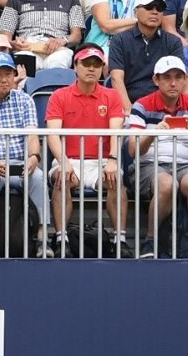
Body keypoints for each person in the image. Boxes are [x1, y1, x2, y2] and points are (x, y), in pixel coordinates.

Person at [42, 45, 130, 257]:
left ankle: (121, 240)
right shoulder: (59, 96)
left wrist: (113, 159)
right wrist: (63, 162)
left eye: (97, 64)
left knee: (116, 181)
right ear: (75, 66)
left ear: (102, 69)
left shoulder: (112, 96)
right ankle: (62, 239)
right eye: (86, 64)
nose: (92, 68)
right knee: (62, 180)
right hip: (69, 159)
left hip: (102, 161)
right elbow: (52, 134)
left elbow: (116, 131)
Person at [0, 51, 54, 255]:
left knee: (39, 177)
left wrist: (34, 157)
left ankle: (43, 239)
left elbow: (32, 135)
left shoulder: (25, 100)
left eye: (8, 74)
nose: (4, 79)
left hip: (21, 163)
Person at [126, 57, 188, 259]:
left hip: (187, 164)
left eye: (178, 77)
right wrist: (153, 133)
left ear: (184, 80)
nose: (173, 83)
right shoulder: (141, 105)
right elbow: (133, 150)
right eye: (167, 78)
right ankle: (150, 242)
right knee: (166, 184)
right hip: (149, 163)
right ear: (156, 80)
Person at [107, 0, 187, 109]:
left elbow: (177, 79)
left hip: (164, 106)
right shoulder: (119, 40)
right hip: (130, 102)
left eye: (159, 8)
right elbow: (116, 78)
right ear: (136, 12)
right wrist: (129, 110)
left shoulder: (173, 42)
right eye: (149, 7)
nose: (155, 12)